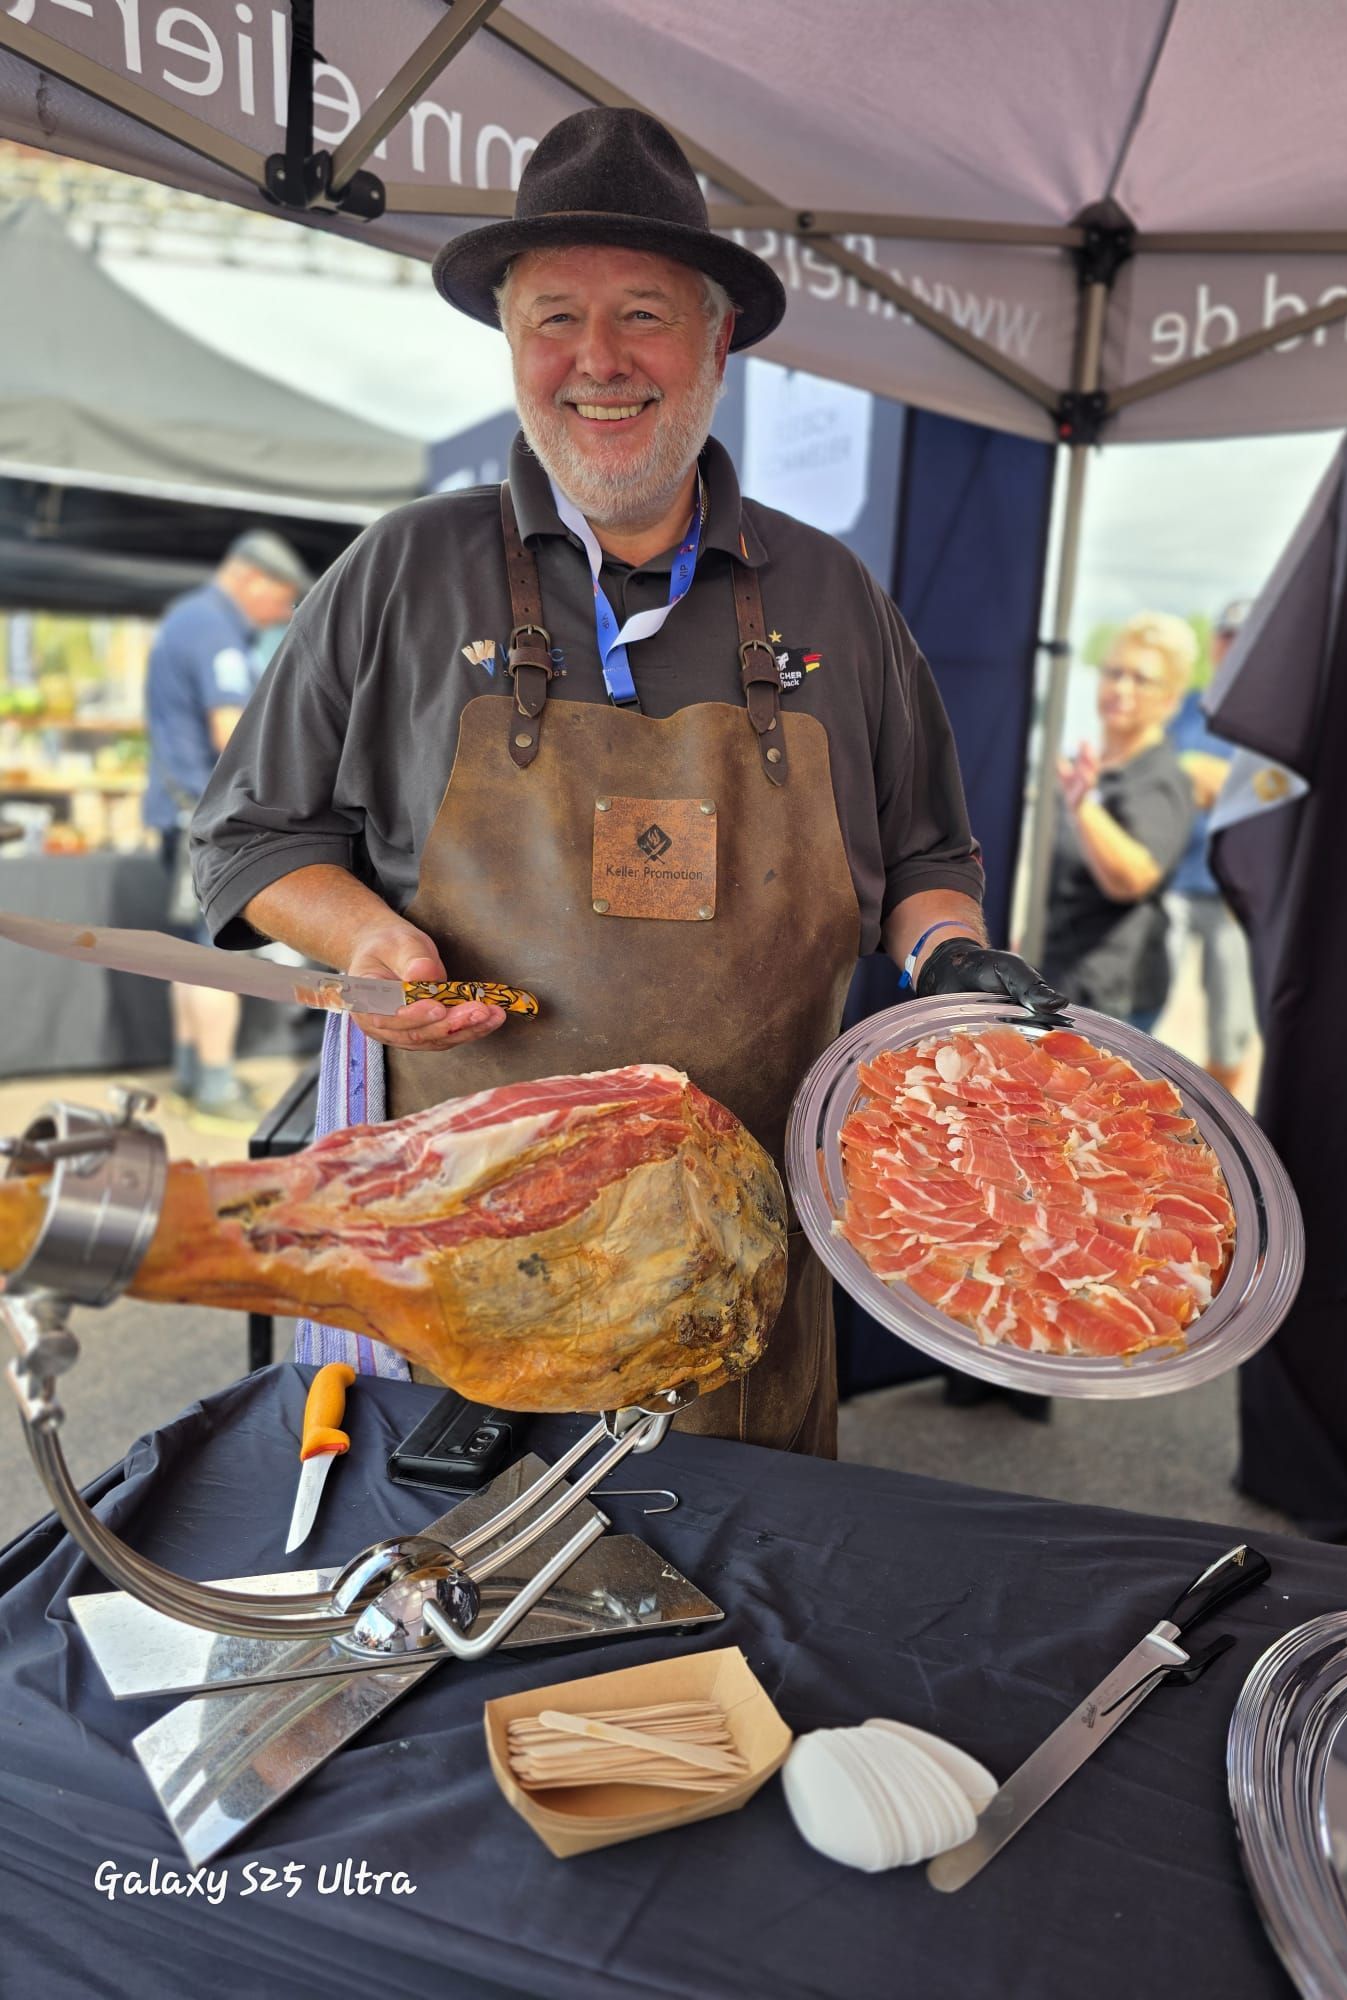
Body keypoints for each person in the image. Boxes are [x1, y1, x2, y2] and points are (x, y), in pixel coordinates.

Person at [191, 107, 1060, 1455]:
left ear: (717, 340)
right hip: (461, 1276)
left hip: (745, 1285)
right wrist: (369, 938)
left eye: (643, 315)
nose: (598, 360)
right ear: (510, 342)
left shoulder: (833, 594)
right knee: (451, 1570)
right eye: (556, 318)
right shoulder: (405, 572)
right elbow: (249, 837)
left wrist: (950, 957)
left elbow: (928, 858)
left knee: (732, 1573)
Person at [144, 529, 311, 1128]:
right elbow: (233, 734)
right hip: (204, 818)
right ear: (250, 578)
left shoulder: (188, 619)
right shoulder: (213, 628)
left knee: (189, 956)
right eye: (281, 597)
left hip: (179, 811)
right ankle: (214, 1088)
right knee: (214, 958)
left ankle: (194, 1075)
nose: (283, 612)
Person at [1042, 612, 1196, 1032]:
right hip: (1058, 977)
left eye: (1141, 679)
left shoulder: (1160, 778)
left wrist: (1083, 807)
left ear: (1170, 700)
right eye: (1114, 673)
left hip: (1110, 997)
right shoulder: (1090, 767)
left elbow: (1133, 880)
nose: (1122, 688)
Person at [1166, 599, 1258, 1096]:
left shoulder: (1274, 716)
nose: (1235, 645)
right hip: (1173, 883)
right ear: (1213, 642)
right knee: (1143, 1012)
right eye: (1227, 634)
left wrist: (1216, 781)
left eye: (1246, 635)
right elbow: (1154, 773)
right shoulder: (1183, 709)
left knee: (1230, 1028)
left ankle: (1219, 1123)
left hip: (1235, 895)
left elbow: (1275, 794)